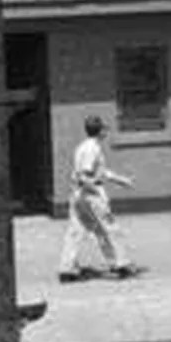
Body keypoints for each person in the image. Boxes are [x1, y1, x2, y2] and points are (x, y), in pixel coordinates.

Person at [58, 115, 140, 282]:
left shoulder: (83, 147)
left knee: (76, 232)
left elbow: (99, 172)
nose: (106, 131)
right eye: (105, 129)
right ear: (100, 131)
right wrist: (95, 192)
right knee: (109, 228)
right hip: (89, 196)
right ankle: (120, 264)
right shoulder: (92, 149)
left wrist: (120, 180)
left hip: (78, 195)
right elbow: (85, 174)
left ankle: (67, 269)